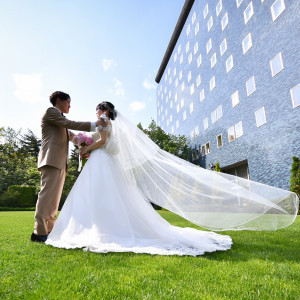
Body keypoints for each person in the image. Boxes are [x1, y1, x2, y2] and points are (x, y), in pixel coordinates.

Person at [45, 101, 298, 256]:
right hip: (106, 163)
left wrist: (85, 148)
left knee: (99, 195)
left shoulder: (102, 122)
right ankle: (100, 226)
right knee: (106, 196)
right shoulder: (111, 124)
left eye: (98, 108)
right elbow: (112, 146)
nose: (97, 111)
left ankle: (97, 228)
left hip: (101, 162)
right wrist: (88, 146)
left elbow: (102, 142)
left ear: (104, 110)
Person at [31, 91, 105, 242]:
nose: (70, 106)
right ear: (59, 100)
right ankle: (38, 232)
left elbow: (73, 136)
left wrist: (85, 145)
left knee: (54, 199)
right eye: (68, 102)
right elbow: (69, 123)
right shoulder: (51, 112)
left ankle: (50, 230)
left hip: (60, 162)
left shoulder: (59, 120)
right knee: (46, 196)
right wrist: (95, 124)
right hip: (50, 160)